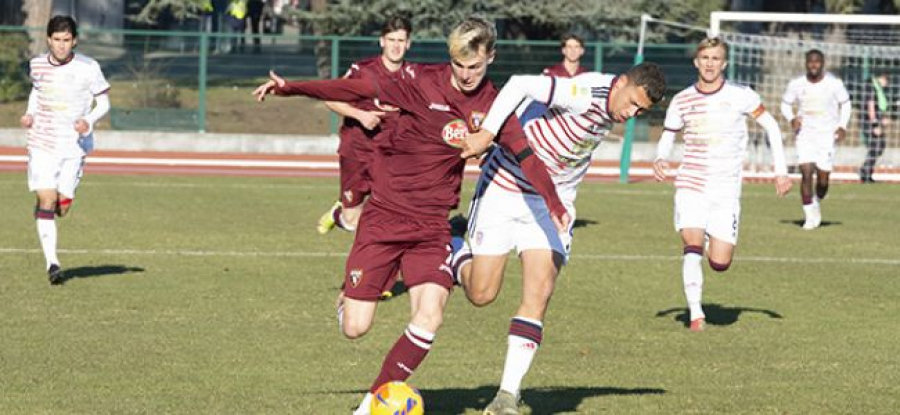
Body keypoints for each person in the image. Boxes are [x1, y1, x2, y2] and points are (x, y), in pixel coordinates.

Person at [253, 17, 568, 415]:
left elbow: (526, 155)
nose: (466, 75)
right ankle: (349, 299)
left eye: (474, 66)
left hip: (432, 226)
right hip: (384, 216)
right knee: (355, 328)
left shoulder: (494, 105)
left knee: (430, 316)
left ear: (491, 57)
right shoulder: (418, 80)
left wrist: (554, 203)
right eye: (459, 65)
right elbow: (355, 89)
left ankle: (370, 406)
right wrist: (290, 87)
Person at [450, 63, 666, 415]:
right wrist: (488, 133)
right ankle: (455, 246)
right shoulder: (584, 92)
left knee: (540, 291)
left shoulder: (615, 106)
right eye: (632, 103)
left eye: (640, 111)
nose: (631, 114)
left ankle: (507, 395)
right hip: (504, 187)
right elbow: (519, 83)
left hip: (551, 204)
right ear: (622, 83)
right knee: (481, 294)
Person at [653, 37, 792, 332]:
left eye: (716, 58)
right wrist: (661, 158)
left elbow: (771, 126)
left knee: (720, 262)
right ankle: (696, 314)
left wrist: (781, 172)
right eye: (705, 58)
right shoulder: (682, 100)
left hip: (726, 190)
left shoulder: (741, 95)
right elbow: (668, 134)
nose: (710, 64)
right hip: (691, 183)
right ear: (696, 62)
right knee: (691, 245)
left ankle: (709, 240)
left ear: (724, 63)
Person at [20, 15, 110, 285]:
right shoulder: (36, 64)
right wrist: (30, 114)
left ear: (75, 41)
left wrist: (88, 121)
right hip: (42, 141)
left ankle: (56, 201)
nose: (61, 45)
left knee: (62, 206)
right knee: (46, 199)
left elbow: (104, 102)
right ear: (49, 40)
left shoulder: (88, 67)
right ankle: (53, 264)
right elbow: (37, 91)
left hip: (73, 145)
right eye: (57, 40)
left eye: (66, 40)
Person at [317, 16, 415, 235]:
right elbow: (330, 98)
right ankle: (339, 214)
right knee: (352, 220)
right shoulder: (363, 71)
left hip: (393, 156)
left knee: (398, 213)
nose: (396, 46)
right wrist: (360, 115)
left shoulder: (415, 76)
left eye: (401, 40)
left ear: (408, 43)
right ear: (382, 41)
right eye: (391, 40)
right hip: (358, 152)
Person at [780, 49, 851, 229]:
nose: (813, 65)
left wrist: (842, 125)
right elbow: (785, 104)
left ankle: (816, 201)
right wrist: (792, 118)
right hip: (805, 134)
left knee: (823, 180)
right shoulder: (796, 84)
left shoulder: (834, 83)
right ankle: (809, 215)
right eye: (810, 61)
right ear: (806, 63)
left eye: (817, 61)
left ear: (823, 63)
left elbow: (846, 104)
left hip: (826, 135)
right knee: (806, 172)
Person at [860, 72, 889, 183]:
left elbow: (876, 107)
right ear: (883, 77)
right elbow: (871, 106)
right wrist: (875, 124)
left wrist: (882, 119)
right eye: (887, 81)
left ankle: (866, 171)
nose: (887, 84)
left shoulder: (876, 88)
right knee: (877, 146)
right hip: (870, 122)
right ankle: (865, 172)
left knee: (878, 146)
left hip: (873, 121)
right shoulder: (871, 87)